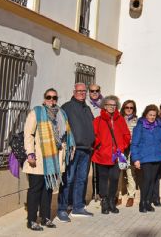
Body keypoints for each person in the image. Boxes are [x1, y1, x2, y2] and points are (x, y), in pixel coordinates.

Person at [23, 89, 75, 231]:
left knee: (48, 189)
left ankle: (45, 217)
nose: (52, 100)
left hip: (54, 160)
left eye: (54, 97)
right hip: (39, 158)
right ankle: (32, 220)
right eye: (49, 97)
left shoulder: (61, 114)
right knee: (35, 190)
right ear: (44, 98)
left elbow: (65, 135)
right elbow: (28, 134)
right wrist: (30, 154)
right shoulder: (37, 112)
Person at [58, 83, 95, 222]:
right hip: (73, 150)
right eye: (79, 91)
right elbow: (60, 127)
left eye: (84, 91)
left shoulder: (87, 108)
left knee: (82, 179)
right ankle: (62, 208)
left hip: (86, 150)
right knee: (68, 179)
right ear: (74, 92)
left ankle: (78, 207)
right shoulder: (66, 107)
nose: (81, 93)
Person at [92, 95, 130, 215]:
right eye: (109, 105)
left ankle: (111, 201)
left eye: (114, 105)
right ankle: (104, 201)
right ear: (104, 106)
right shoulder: (98, 120)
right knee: (103, 179)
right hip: (102, 155)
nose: (111, 107)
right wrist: (99, 146)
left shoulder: (120, 119)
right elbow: (94, 136)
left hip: (116, 156)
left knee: (114, 178)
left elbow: (126, 135)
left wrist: (121, 147)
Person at [131, 105, 161, 213]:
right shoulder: (139, 127)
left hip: (157, 157)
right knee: (147, 180)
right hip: (145, 158)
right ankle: (142, 203)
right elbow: (134, 144)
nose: (152, 117)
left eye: (154, 115)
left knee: (153, 180)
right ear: (145, 114)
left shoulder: (159, 127)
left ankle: (148, 202)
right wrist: (136, 159)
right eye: (150, 115)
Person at [119, 99, 139, 207]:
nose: (129, 110)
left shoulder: (137, 120)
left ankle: (131, 196)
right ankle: (118, 196)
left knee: (130, 172)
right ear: (123, 108)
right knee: (119, 172)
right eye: (127, 107)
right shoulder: (118, 119)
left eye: (131, 108)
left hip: (131, 148)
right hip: (120, 149)